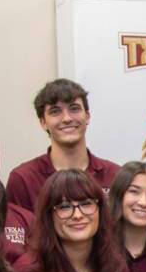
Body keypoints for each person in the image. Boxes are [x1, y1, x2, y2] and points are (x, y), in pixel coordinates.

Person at [7, 79, 120, 217]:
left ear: (88, 116)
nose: (66, 118)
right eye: (55, 111)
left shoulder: (115, 175)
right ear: (43, 122)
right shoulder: (23, 179)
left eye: (74, 108)